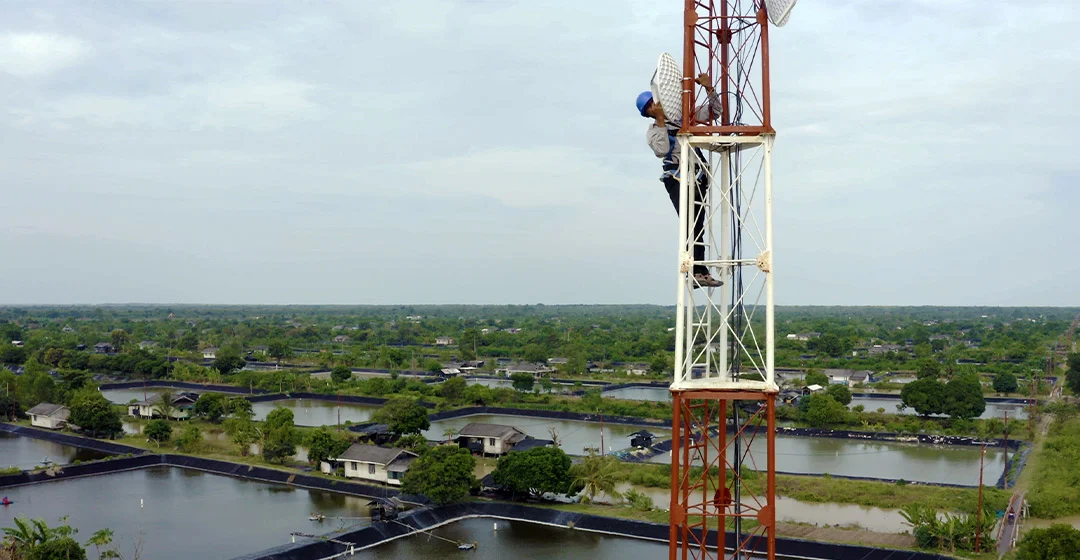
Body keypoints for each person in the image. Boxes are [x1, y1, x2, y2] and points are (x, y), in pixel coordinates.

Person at [637, 73, 724, 288]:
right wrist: (659, 120)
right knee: (689, 223)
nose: (654, 107)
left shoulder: (685, 117)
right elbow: (662, 150)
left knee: (698, 224)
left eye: (654, 102)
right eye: (649, 107)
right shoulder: (654, 131)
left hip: (698, 175)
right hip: (676, 177)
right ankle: (696, 270)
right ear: (647, 114)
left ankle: (701, 271)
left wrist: (709, 89)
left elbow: (715, 112)